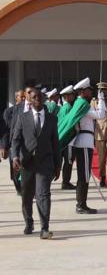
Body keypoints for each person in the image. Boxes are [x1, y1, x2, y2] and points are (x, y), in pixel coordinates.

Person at [12, 88, 61, 239]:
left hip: (45, 162)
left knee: (43, 194)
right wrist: (15, 157)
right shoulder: (23, 117)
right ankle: (29, 221)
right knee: (27, 195)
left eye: (40, 97)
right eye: (34, 97)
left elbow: (55, 143)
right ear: (30, 100)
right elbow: (16, 139)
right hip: (27, 163)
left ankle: (44, 228)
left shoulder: (52, 118)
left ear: (44, 99)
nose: (37, 99)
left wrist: (58, 165)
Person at [58, 77, 106, 214]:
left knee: (83, 175)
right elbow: (100, 115)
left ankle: (82, 203)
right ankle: (81, 205)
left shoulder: (81, 104)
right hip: (84, 142)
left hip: (85, 141)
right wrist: (101, 99)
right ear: (83, 91)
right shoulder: (82, 105)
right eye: (89, 90)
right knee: (84, 175)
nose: (91, 92)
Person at [4, 87, 32, 195]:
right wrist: (5, 146)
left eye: (25, 96)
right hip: (14, 144)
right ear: (16, 98)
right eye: (22, 96)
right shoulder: (10, 111)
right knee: (15, 170)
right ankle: (19, 188)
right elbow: (8, 131)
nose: (24, 98)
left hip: (27, 145)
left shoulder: (30, 108)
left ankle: (27, 189)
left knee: (27, 167)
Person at [58, 85, 77, 190]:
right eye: (71, 95)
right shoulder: (69, 108)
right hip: (68, 140)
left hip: (62, 139)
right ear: (67, 96)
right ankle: (66, 182)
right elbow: (70, 124)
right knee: (68, 161)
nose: (73, 97)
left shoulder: (62, 108)